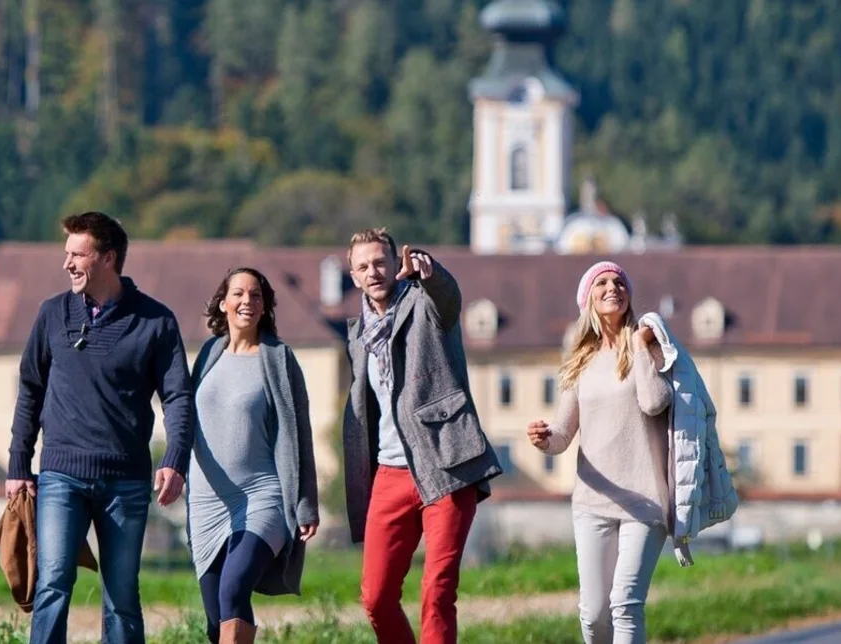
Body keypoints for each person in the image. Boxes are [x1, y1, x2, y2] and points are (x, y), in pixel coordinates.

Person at [7, 211, 195, 644]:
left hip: (126, 481)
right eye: (66, 253)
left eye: (78, 254)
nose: (67, 263)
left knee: (122, 596)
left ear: (108, 258)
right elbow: (30, 389)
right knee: (52, 584)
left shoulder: (156, 321)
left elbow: (178, 397)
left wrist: (175, 458)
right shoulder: (52, 314)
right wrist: (19, 464)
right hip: (60, 476)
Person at [340, 228, 503, 644]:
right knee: (375, 598)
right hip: (390, 474)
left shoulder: (424, 303)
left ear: (396, 265)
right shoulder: (358, 334)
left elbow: (448, 299)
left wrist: (431, 274)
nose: (373, 272)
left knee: (437, 592)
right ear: (353, 273)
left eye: (380, 262)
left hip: (446, 462)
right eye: (363, 266)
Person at [525, 261, 672, 644]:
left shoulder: (650, 346)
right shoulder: (579, 363)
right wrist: (545, 437)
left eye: (620, 282)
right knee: (593, 615)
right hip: (592, 503)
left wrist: (639, 347)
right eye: (602, 282)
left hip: (645, 502)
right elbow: (562, 435)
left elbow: (655, 402)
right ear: (588, 298)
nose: (613, 287)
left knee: (625, 604)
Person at [185, 267, 320, 644]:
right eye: (239, 294)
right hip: (207, 505)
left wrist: (306, 502)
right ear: (224, 303)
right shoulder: (209, 353)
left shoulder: (278, 358)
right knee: (217, 622)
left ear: (265, 306)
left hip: (262, 497)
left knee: (233, 588)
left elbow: (299, 435)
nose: (248, 301)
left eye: (256, 295)